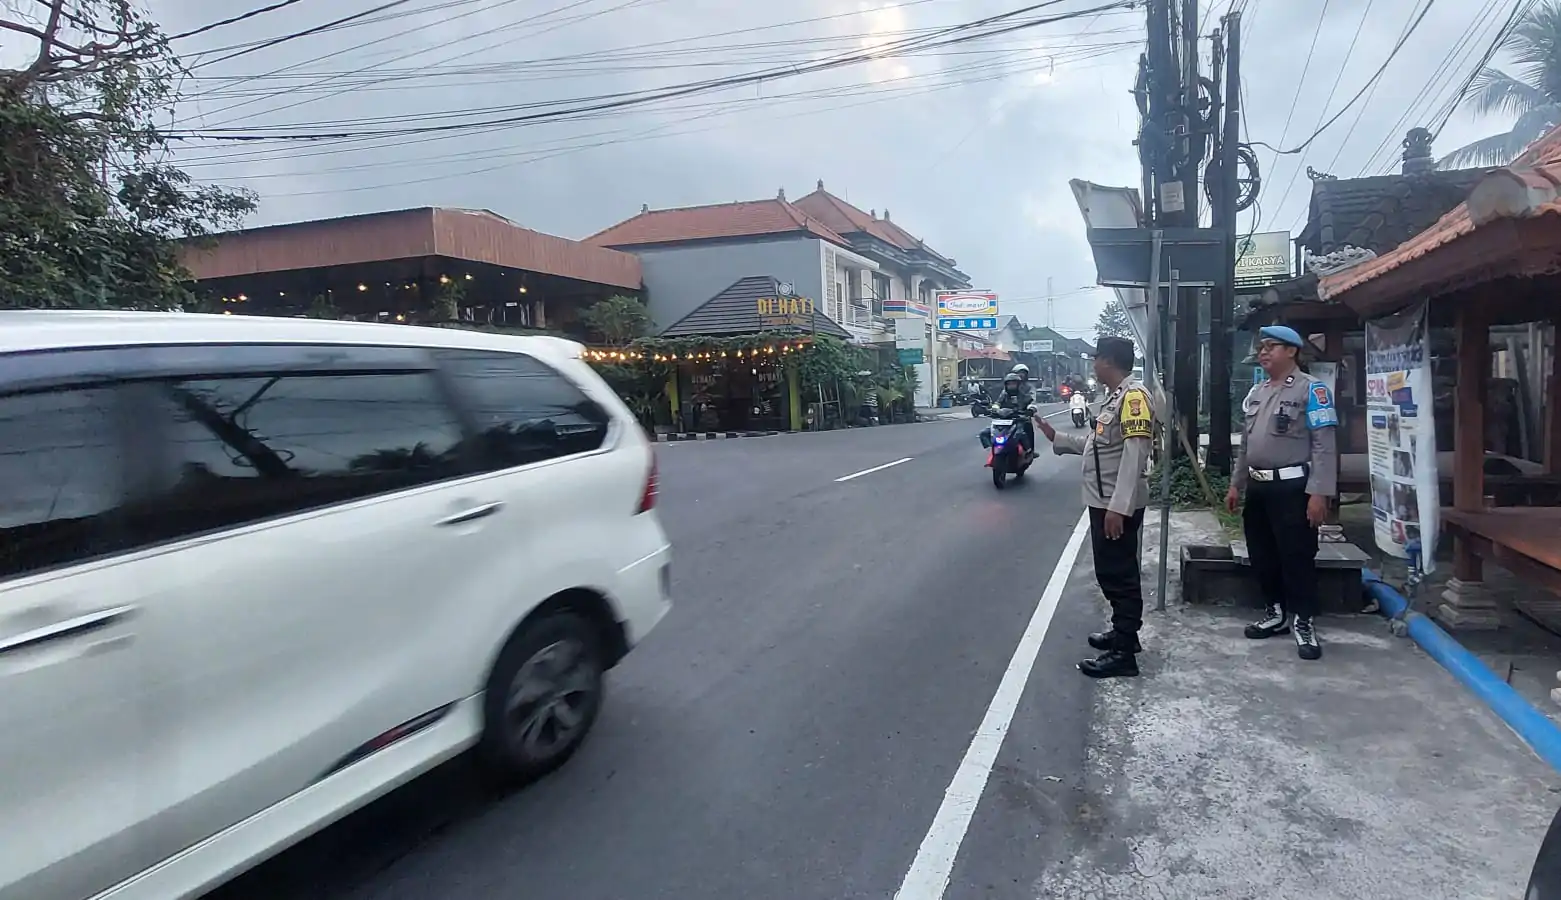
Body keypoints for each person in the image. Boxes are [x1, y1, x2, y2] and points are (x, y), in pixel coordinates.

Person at [1034, 336, 1155, 679]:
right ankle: (1122, 635)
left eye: (1096, 359)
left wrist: (1119, 507)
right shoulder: (1114, 398)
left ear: (1109, 361)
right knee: (1110, 572)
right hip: (1104, 500)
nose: (1092, 365)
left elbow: (1134, 454)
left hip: (1115, 503)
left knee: (1120, 576)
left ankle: (1124, 653)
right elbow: (1096, 445)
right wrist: (1054, 436)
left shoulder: (1133, 398)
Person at [1224, 324, 1339, 661]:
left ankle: (1304, 621)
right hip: (1258, 487)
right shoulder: (1257, 392)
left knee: (1297, 557)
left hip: (1294, 488)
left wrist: (1319, 493)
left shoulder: (1312, 391)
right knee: (1263, 553)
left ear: (1291, 351)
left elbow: (1324, 445)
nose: (1263, 352)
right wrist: (1236, 483)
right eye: (1261, 347)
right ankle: (1274, 613)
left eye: (1271, 346)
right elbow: (1246, 443)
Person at [980, 371, 1035, 453]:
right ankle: (991, 450)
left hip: (1019, 419)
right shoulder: (1004, 394)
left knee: (1024, 433)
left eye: (1013, 384)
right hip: (1003, 420)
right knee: (984, 433)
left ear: (1018, 385)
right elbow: (998, 403)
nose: (1011, 386)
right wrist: (994, 409)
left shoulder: (1023, 395)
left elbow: (1031, 403)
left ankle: (1030, 451)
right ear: (1006, 385)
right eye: (1009, 384)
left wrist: (1030, 409)